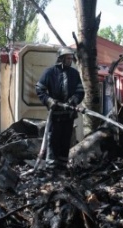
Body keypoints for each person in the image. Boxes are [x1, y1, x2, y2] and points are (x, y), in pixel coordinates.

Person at [36, 46, 85, 175]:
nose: (70, 60)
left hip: (68, 115)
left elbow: (80, 91)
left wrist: (74, 99)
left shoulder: (74, 74)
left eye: (71, 58)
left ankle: (62, 167)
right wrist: (49, 101)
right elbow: (40, 89)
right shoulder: (50, 72)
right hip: (55, 115)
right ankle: (51, 168)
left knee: (65, 140)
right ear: (61, 58)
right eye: (67, 58)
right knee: (53, 140)